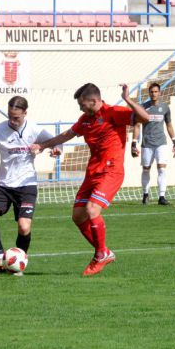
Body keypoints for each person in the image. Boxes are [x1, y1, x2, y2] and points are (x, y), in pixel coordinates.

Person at [29, 83, 150, 276]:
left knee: (92, 209)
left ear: (93, 101)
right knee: (78, 216)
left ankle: (101, 254)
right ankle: (105, 252)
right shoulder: (85, 119)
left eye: (82, 104)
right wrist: (43, 145)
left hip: (111, 172)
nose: (80, 108)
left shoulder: (113, 112)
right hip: (92, 172)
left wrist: (127, 100)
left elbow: (145, 118)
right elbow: (67, 134)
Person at [0, 96, 61, 263]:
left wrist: (57, 150)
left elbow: (57, 141)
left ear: (25, 113)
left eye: (16, 117)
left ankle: (19, 261)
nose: (12, 120)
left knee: (24, 227)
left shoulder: (34, 129)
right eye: (10, 116)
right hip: (4, 185)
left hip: (27, 185)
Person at [131, 83, 175, 206]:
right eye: (152, 92)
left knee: (161, 169)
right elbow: (136, 126)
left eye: (156, 91)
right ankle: (145, 194)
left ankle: (162, 197)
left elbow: (169, 125)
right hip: (147, 144)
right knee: (146, 169)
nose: (154, 94)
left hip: (161, 143)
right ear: (149, 93)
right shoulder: (142, 108)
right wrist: (133, 143)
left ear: (160, 92)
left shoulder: (165, 107)